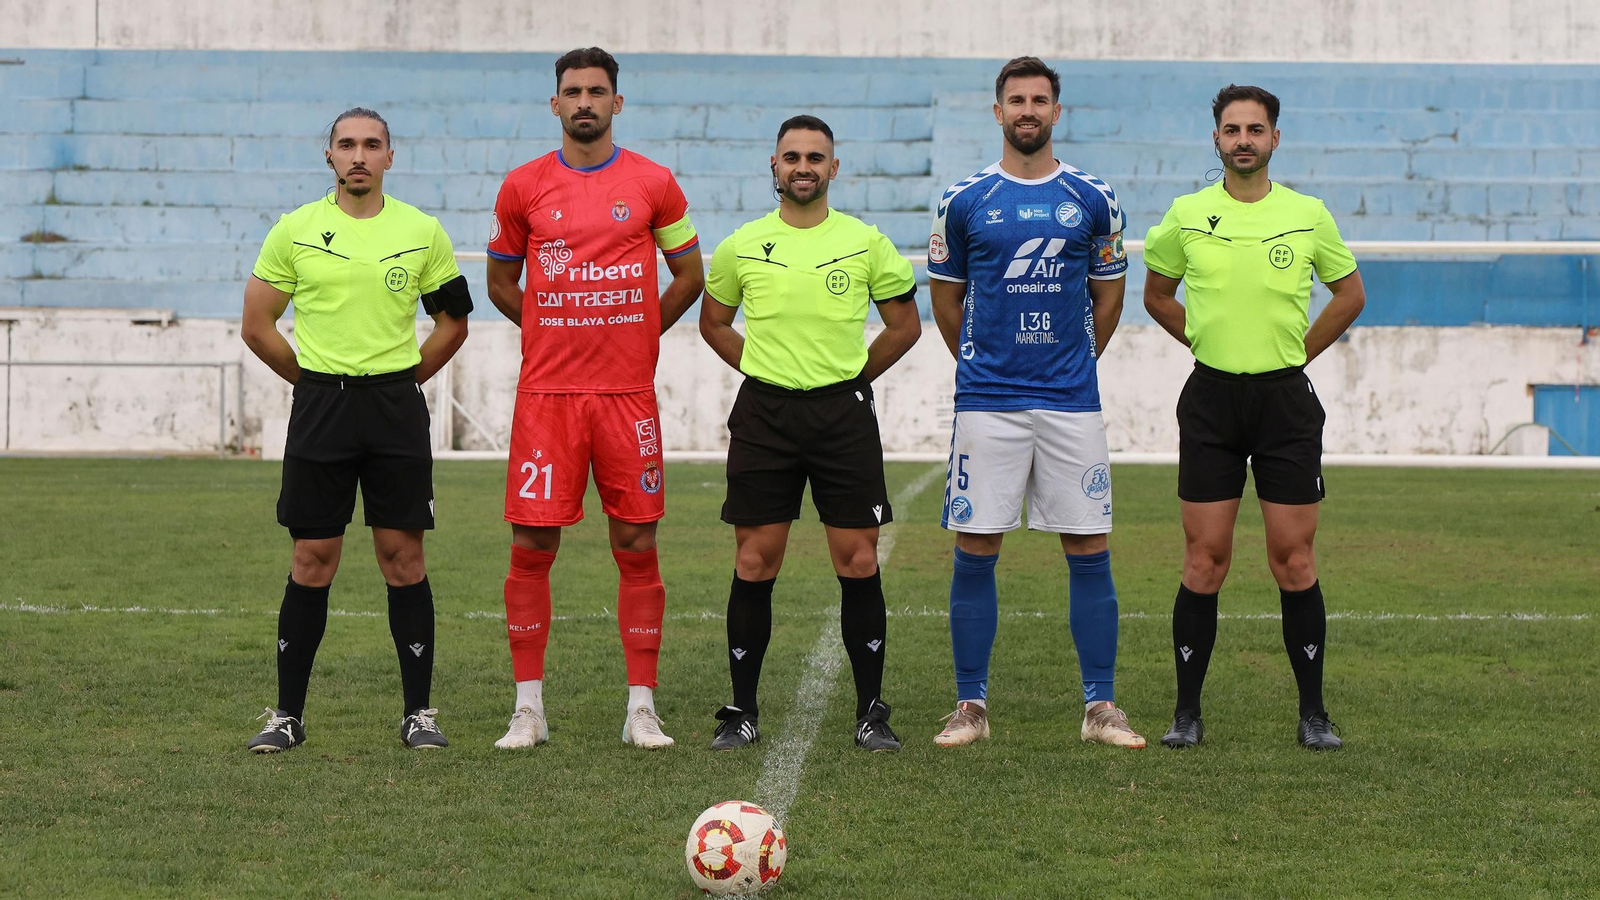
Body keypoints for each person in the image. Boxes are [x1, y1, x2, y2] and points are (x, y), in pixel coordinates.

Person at [485, 47, 704, 750]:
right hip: (548, 395)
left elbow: (688, 275)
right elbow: (499, 282)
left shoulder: (653, 183)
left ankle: (642, 706)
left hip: (625, 396)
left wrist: (640, 333)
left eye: (597, 91)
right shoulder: (523, 186)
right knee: (531, 542)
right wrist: (552, 327)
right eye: (572, 91)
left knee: (637, 541)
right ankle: (528, 709)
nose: (585, 101)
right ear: (555, 104)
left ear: (617, 102)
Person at [926, 56, 1144, 750]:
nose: (1027, 110)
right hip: (987, 401)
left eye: (1039, 100)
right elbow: (945, 295)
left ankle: (1101, 706)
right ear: (998, 112)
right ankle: (970, 706)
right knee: (975, 544)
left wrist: (1075, 360)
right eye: (1016, 100)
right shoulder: (964, 199)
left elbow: (1108, 296)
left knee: (1089, 546)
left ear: (1056, 111)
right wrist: (980, 365)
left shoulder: (1093, 197)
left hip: (1070, 403)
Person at [1142, 84, 1366, 751]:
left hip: (1284, 403)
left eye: (1256, 129)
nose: (1244, 139)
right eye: (1232, 129)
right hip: (1211, 399)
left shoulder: (1307, 214)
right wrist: (1205, 341)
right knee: (1204, 558)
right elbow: (1155, 293)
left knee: (1293, 558)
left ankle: (1313, 715)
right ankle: (1186, 715)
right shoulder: (1186, 214)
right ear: (1216, 139)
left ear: (1274, 139)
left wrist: (1298, 353)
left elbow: (1349, 293)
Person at [241, 107, 472, 753]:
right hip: (322, 407)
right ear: (330, 157)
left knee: (404, 558)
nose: (359, 155)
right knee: (313, 558)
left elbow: (453, 321)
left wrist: (405, 380)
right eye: (347, 145)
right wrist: (311, 381)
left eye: (372, 144)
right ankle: (287, 715)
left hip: (394, 408)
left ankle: (418, 715)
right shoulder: (295, 230)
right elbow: (257, 323)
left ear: (390, 157)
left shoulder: (422, 231)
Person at [699, 115, 922, 753]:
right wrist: (764, 370)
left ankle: (870, 712)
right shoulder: (742, 244)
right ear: (774, 166)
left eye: (815, 157)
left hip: (841, 419)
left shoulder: (865, 242)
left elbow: (903, 324)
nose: (803, 166)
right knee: (754, 559)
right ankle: (742, 711)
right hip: (765, 418)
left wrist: (852, 379)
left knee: (857, 558)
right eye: (792, 156)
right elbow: (714, 322)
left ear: (834, 168)